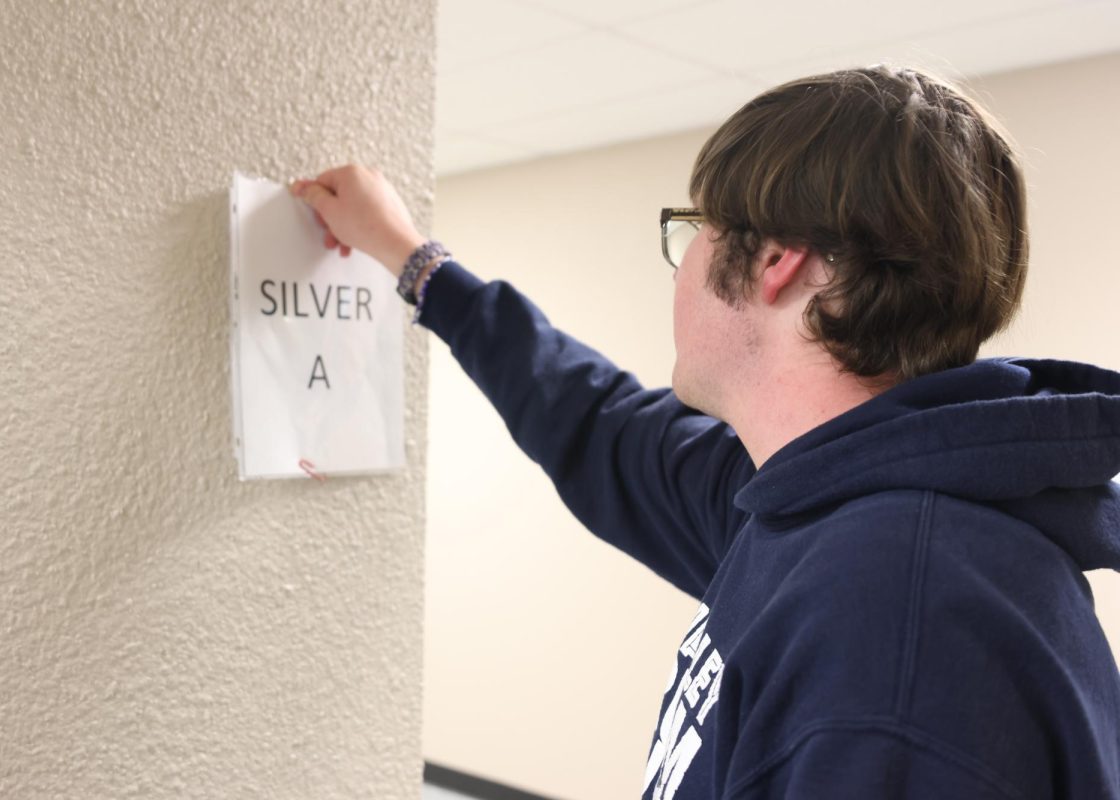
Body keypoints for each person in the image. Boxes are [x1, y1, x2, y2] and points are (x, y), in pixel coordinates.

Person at [291, 65, 1120, 799]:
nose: (681, 263)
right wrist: (413, 260)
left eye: (693, 232)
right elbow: (595, 420)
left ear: (776, 261)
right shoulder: (806, 498)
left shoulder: (902, 626)